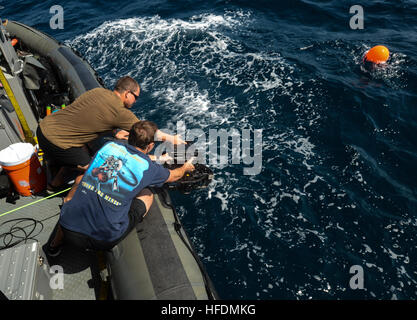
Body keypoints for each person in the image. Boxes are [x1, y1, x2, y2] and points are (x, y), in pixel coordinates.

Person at [47, 120, 194, 256]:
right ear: (150, 146)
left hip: (67, 228)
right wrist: (185, 167)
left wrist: (158, 158)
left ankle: (54, 245)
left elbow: (127, 156)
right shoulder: (148, 168)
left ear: (129, 137)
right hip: (101, 240)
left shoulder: (109, 147)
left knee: (80, 182)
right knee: (147, 194)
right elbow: (174, 176)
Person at [36, 76, 184, 192]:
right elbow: (146, 132)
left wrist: (115, 131)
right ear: (127, 93)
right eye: (136, 97)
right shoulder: (120, 112)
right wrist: (172, 138)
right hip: (56, 143)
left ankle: (56, 182)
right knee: (96, 171)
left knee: (80, 153)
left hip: (43, 129)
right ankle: (66, 196)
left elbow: (92, 116)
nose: (136, 101)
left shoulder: (98, 91)